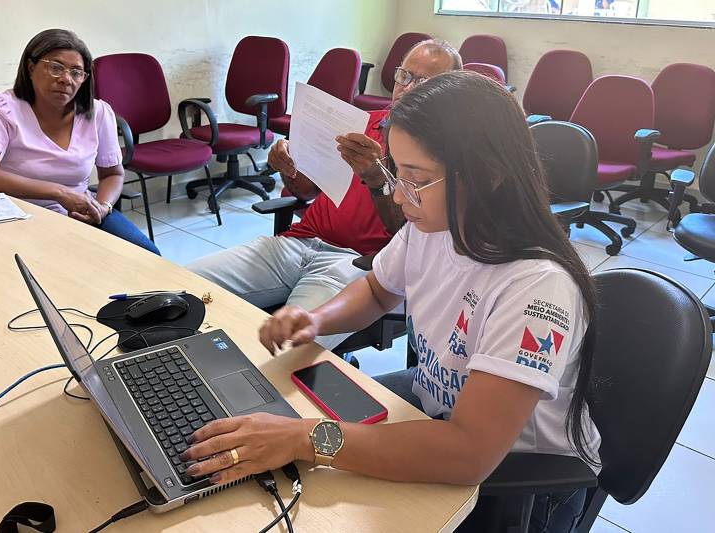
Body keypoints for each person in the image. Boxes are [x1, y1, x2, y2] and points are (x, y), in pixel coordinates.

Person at [178, 72, 601, 532]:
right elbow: (378, 289)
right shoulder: (433, 227)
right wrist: (314, 318)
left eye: (416, 180)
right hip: (438, 411)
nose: (399, 195)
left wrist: (305, 439)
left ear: (491, 175)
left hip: (517, 481)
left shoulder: (536, 288)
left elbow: (470, 455)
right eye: (396, 174)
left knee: (307, 451)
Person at [187, 39, 462, 350]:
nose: (407, 88)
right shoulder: (363, 124)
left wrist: (376, 180)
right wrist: (287, 167)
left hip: (355, 264)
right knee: (181, 290)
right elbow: (303, 190)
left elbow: (411, 237)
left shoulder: (443, 157)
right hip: (298, 242)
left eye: (423, 82)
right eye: (404, 76)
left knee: (288, 349)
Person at [0, 29, 160, 255]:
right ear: (31, 67)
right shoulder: (2, 108)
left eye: (77, 72)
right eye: (56, 67)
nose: (66, 79)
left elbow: (113, 174)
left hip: (79, 214)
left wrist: (102, 207)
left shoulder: (99, 113)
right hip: (16, 215)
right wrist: (59, 193)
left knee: (148, 256)